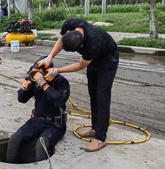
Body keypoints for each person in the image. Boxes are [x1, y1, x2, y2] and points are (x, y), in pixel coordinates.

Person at [38, 18, 119, 152]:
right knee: (93, 95)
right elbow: (61, 39)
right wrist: (49, 57)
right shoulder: (71, 23)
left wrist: (57, 70)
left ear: (81, 47)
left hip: (108, 61)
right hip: (94, 61)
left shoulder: (93, 43)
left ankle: (100, 138)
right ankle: (94, 128)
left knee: (102, 98)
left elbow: (81, 64)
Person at [6, 59, 70, 163]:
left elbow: (58, 101)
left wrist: (44, 84)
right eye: (33, 72)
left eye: (37, 73)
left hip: (55, 124)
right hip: (36, 120)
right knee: (15, 139)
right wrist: (24, 90)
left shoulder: (60, 81)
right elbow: (22, 100)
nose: (34, 76)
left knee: (42, 144)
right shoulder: (35, 82)